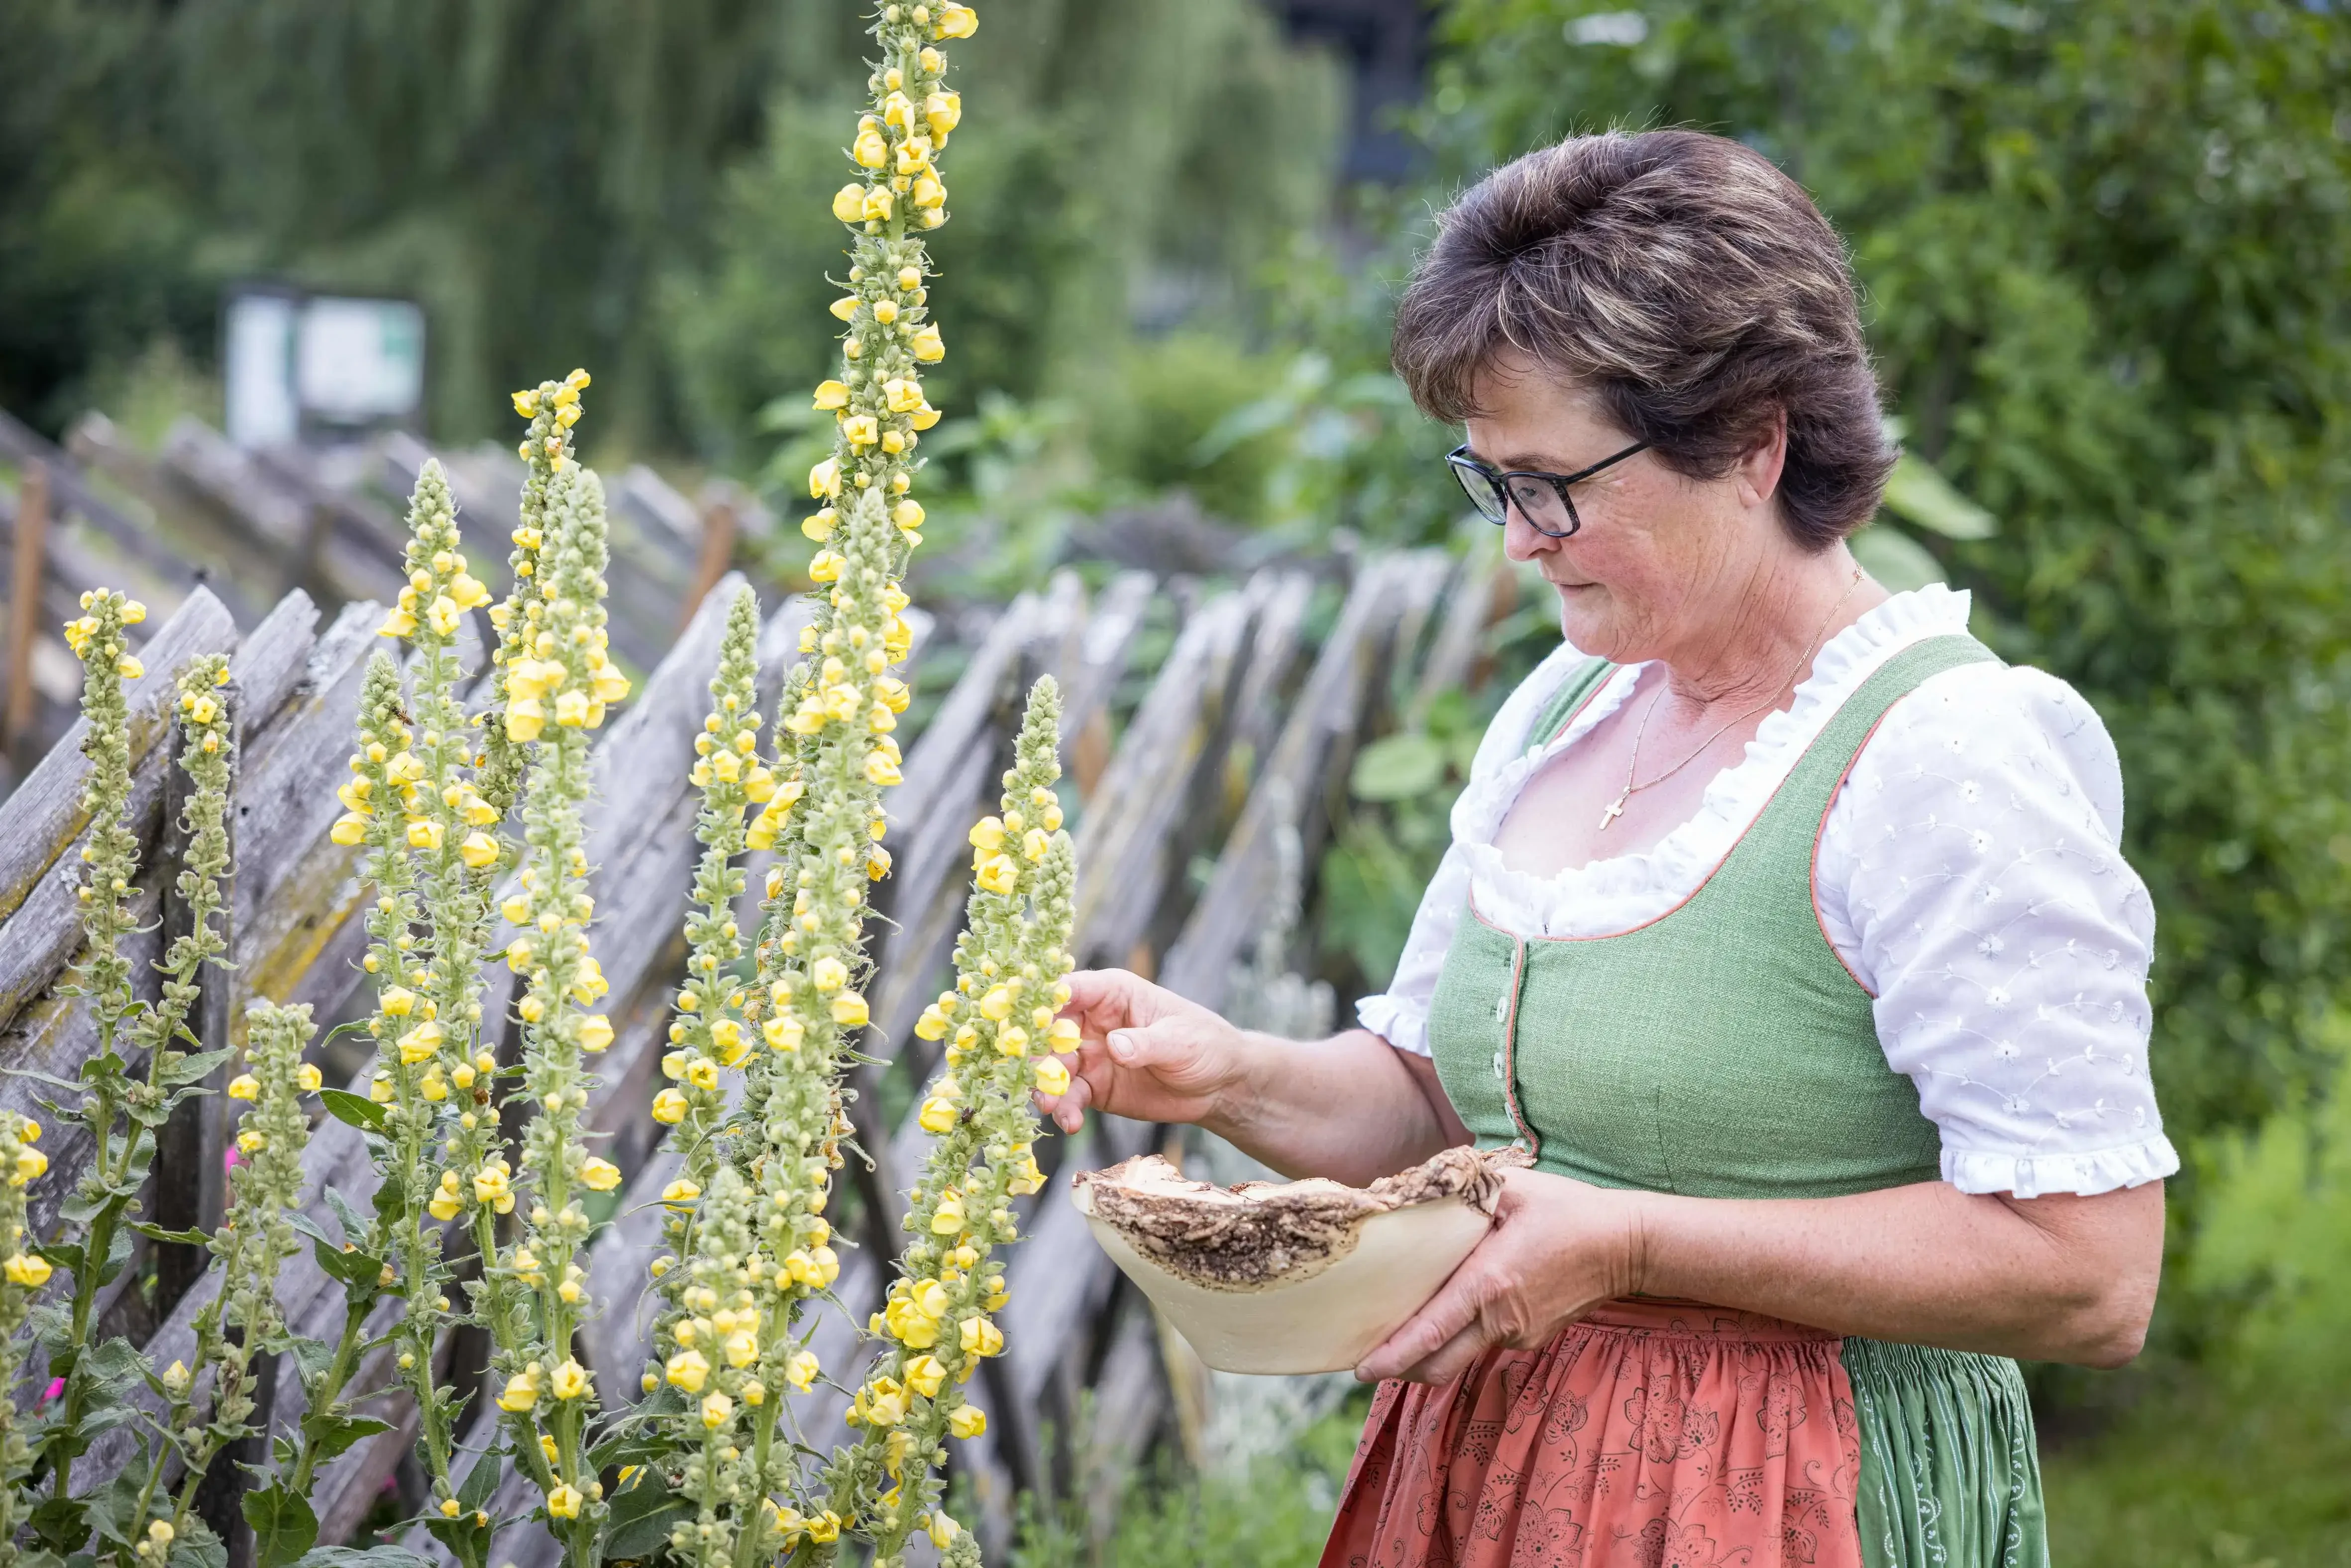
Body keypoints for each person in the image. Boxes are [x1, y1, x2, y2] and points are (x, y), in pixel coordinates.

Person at [1038, 129, 2172, 1568]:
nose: (1516, 540)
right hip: (1503, 1470)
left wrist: (1635, 1243)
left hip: (1788, 1492)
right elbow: (1443, 1112)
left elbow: (2086, 1275)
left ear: (1753, 441)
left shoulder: (1944, 760)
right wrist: (1230, 1073)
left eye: (1550, 482)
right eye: (1490, 478)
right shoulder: (1569, 701)